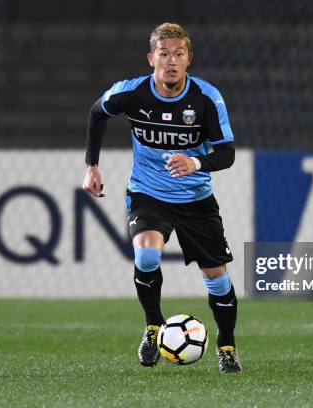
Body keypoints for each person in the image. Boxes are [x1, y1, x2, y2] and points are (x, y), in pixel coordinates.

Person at [82, 22, 241, 373]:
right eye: (164, 53)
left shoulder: (206, 99)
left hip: (196, 200)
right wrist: (91, 165)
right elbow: (97, 113)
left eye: (179, 54)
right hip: (148, 193)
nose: (171, 60)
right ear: (151, 58)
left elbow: (227, 153)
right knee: (147, 254)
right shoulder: (132, 93)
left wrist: (196, 161)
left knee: (216, 277)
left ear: (189, 60)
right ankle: (154, 326)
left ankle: (226, 344)